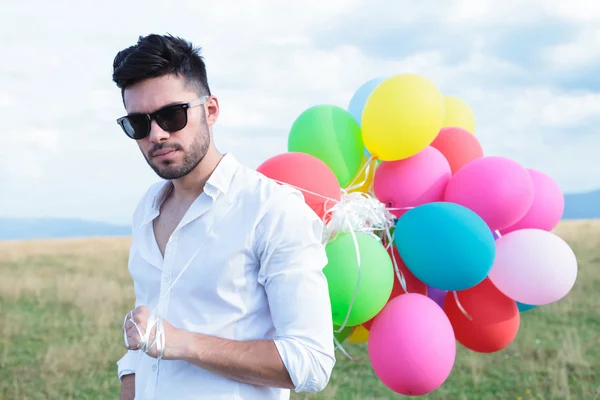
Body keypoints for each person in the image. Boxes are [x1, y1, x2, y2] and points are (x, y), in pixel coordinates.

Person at [112, 33, 336, 400]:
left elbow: (310, 362)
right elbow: (143, 341)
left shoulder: (272, 210)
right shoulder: (147, 208)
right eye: (138, 123)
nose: (156, 134)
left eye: (172, 115)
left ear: (211, 110)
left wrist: (182, 343)